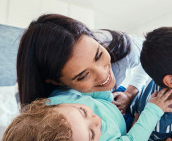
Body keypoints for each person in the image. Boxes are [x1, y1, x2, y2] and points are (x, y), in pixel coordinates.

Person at [0, 87, 172, 141]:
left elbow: (87, 94)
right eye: (92, 134)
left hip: (113, 99)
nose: (97, 120)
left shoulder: (59, 101)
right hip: (127, 121)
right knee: (161, 125)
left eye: (83, 112)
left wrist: (108, 96)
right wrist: (154, 110)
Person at [16, 14, 149, 113]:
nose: (104, 76)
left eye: (98, 56)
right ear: (57, 82)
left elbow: (152, 54)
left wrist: (130, 92)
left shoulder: (118, 45)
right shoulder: (52, 105)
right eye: (83, 76)